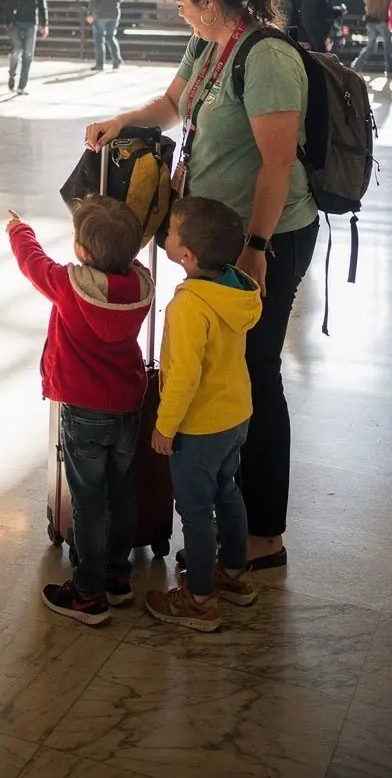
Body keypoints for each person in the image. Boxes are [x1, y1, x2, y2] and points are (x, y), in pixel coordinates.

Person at [85, 0, 318, 570]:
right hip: (218, 237)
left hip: (266, 235)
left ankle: (265, 533)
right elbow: (173, 105)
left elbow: (278, 161)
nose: (180, 12)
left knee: (257, 373)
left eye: (183, 3)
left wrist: (258, 248)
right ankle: (226, 506)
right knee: (225, 369)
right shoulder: (209, 44)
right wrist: (125, 120)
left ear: (208, 2)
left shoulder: (266, 57)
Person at [7, 196, 154, 626]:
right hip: (128, 403)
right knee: (121, 488)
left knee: (88, 500)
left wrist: (19, 231)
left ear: (82, 252)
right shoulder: (143, 284)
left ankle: (88, 593)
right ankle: (118, 574)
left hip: (84, 408)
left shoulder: (70, 286)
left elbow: (33, 263)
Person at [145, 197, 262, 633]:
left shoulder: (190, 306)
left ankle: (198, 600)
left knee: (194, 511)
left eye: (172, 233)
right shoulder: (235, 287)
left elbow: (183, 379)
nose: (167, 237)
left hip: (199, 427)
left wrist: (164, 427)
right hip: (236, 416)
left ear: (187, 256)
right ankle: (234, 575)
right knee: (228, 492)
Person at [352, 0, 392, 75]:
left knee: (371, 46)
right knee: (388, 45)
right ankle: (389, 68)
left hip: (370, 19)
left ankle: (357, 64)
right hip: (381, 20)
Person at [87, 0, 124, 70]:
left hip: (100, 15)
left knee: (99, 39)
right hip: (113, 14)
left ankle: (100, 64)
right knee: (111, 37)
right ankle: (116, 61)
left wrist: (90, 13)